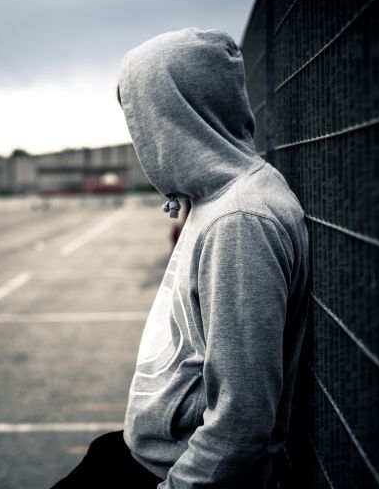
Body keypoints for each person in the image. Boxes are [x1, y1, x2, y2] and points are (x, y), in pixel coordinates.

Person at [53, 27, 310, 489]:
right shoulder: (216, 197)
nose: (140, 139)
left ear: (178, 118)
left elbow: (243, 423)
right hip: (145, 452)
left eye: (144, 120)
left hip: (171, 471)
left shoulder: (240, 221)